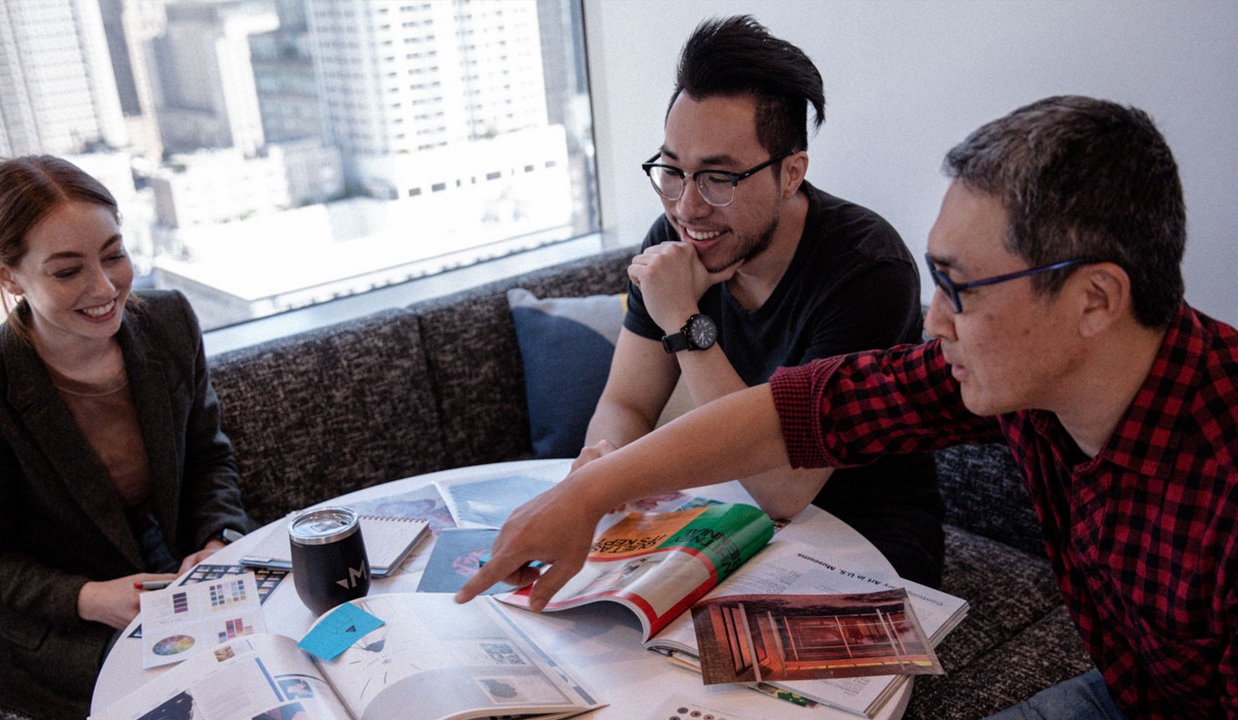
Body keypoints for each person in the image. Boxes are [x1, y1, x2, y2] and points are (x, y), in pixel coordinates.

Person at [459, 96, 1237, 719]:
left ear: (1095, 299)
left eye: (961, 289)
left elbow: (787, 481)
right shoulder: (1022, 379)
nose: (935, 321)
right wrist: (587, 492)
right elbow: (795, 413)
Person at [578, 15, 945, 587]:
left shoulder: (868, 269)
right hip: (725, 517)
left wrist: (684, 319)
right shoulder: (674, 238)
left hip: (862, 539)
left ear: (792, 172)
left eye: (718, 179)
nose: (687, 208)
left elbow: (785, 488)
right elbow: (627, 401)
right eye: (673, 170)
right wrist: (604, 467)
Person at [0, 156, 255, 718]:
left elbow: (208, 457)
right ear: (5, 274)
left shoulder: (169, 322)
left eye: (114, 255)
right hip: (75, 616)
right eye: (67, 271)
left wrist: (218, 541)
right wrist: (89, 598)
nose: (104, 287)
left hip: (185, 567)